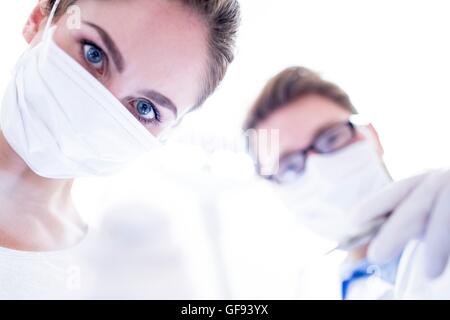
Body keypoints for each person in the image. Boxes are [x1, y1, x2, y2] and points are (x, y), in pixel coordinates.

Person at [0, 0, 240, 299]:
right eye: (94, 53)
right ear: (38, 20)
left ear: (165, 135)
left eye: (144, 108)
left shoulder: (96, 283)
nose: (93, 113)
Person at [243, 66, 450, 299]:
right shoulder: (311, 289)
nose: (319, 169)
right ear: (275, 190)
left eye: (331, 138)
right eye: (289, 166)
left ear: (374, 137)